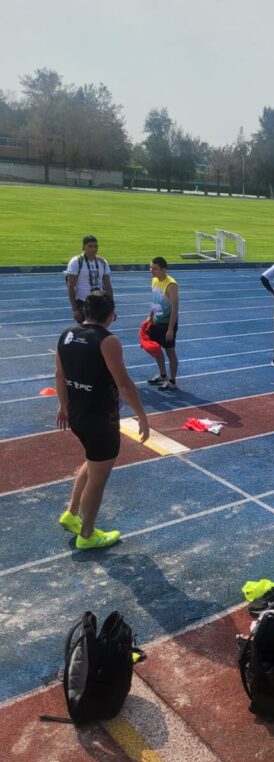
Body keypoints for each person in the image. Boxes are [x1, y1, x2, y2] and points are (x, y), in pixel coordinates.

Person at [55, 290, 149, 550]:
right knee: (99, 478)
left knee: (92, 462)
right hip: (101, 420)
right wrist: (142, 416)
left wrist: (63, 406)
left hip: (77, 415)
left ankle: (72, 513)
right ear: (110, 314)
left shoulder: (66, 335)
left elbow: (59, 375)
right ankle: (87, 535)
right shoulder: (108, 341)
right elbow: (124, 384)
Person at [146, 257, 180, 391]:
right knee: (156, 349)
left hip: (167, 324)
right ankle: (163, 375)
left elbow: (175, 308)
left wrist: (170, 329)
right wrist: (150, 315)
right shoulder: (154, 280)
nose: (151, 271)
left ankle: (172, 381)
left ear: (163, 269)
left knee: (170, 352)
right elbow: (156, 300)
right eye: (150, 267)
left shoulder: (171, 285)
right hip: (156, 322)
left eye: (154, 268)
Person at [66, 235, 113, 323]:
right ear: (83, 247)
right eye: (90, 246)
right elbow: (71, 286)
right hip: (83, 302)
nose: (93, 249)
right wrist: (75, 309)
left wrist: (111, 308)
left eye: (95, 246)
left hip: (100, 302)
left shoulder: (103, 262)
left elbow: (107, 285)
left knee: (100, 331)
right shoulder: (76, 262)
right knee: (86, 331)